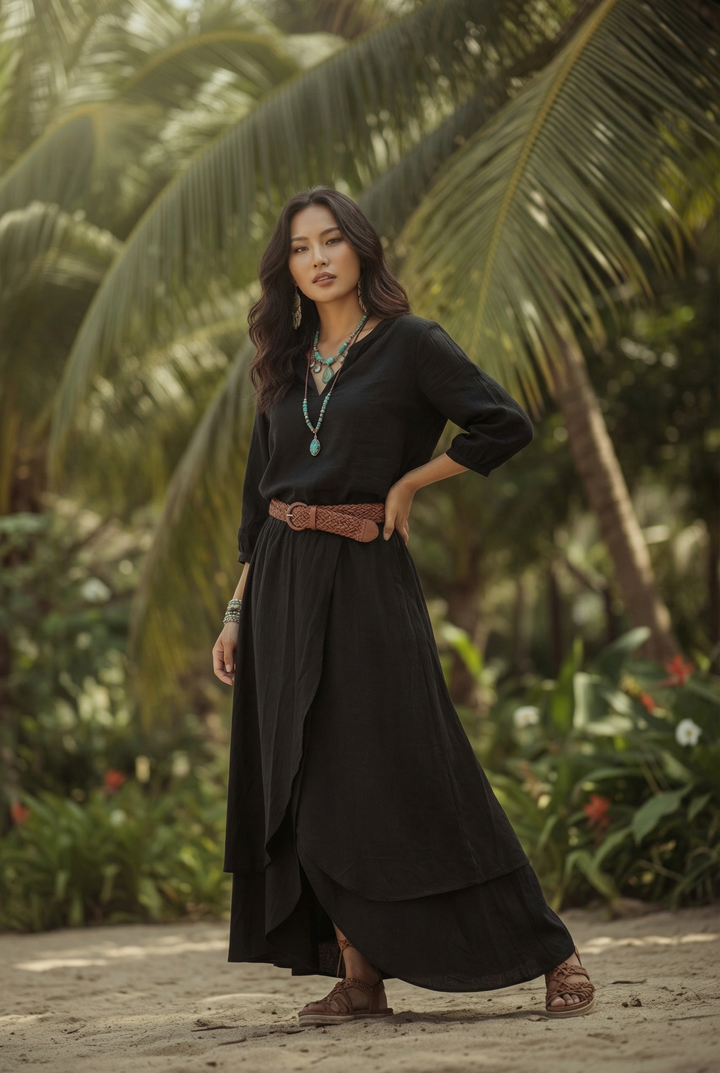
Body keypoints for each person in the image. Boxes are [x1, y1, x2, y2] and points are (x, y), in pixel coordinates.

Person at [212, 186, 596, 1025]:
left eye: (332, 241)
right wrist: (237, 610)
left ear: (360, 249)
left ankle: (548, 947)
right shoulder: (279, 363)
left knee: (416, 767)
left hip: (364, 579)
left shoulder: (411, 345)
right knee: (307, 785)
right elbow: (256, 499)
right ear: (288, 267)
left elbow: (502, 424)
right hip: (278, 582)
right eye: (301, 247)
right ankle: (360, 975)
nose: (317, 259)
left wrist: (413, 480)